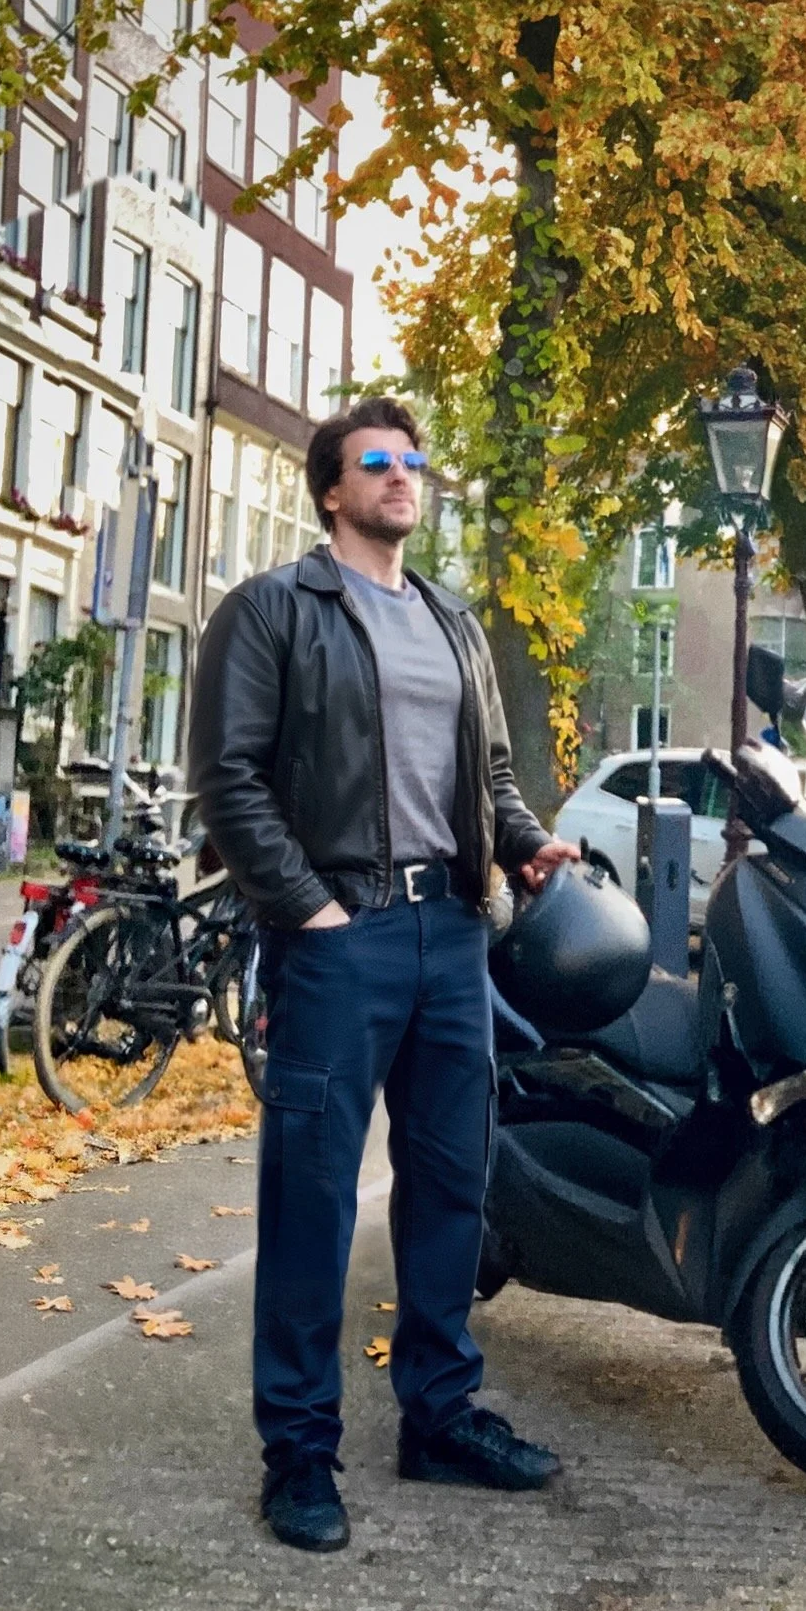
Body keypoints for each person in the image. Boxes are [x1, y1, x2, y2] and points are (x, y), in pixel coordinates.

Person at [189, 397, 579, 1552]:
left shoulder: (454, 625)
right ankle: (300, 1451)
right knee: (311, 1198)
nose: (404, 475)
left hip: (453, 936)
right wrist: (305, 905)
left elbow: (492, 774)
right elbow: (231, 775)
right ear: (331, 488)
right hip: (338, 937)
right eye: (379, 461)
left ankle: (439, 1414)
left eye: (415, 461)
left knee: (454, 1189)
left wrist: (523, 841)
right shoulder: (272, 611)